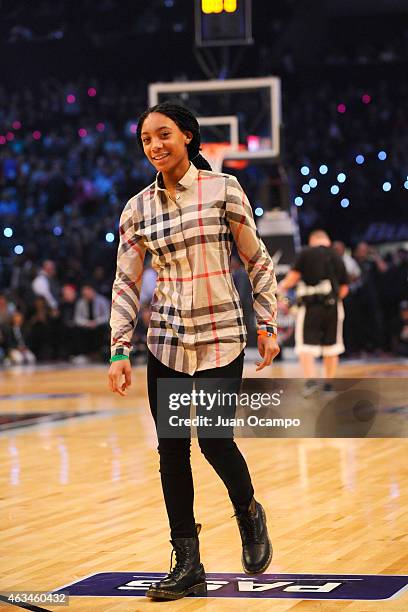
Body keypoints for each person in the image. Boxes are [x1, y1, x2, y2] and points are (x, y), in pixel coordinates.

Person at [108, 102, 279, 601]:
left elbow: (257, 261)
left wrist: (266, 322)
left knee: (215, 442)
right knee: (171, 452)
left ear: (187, 136)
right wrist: (120, 349)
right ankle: (188, 562)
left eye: (163, 135)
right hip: (165, 341)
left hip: (222, 335)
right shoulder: (137, 209)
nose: (155, 146)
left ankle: (248, 512)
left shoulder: (224, 189)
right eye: (146, 140)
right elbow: (125, 283)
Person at [278, 230, 348, 393]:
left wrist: (280, 289)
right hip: (333, 307)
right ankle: (328, 384)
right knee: (332, 347)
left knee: (306, 346)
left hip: (310, 307)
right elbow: (344, 288)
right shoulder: (337, 256)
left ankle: (311, 382)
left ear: (312, 240)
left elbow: (292, 279)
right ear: (327, 240)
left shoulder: (306, 253)